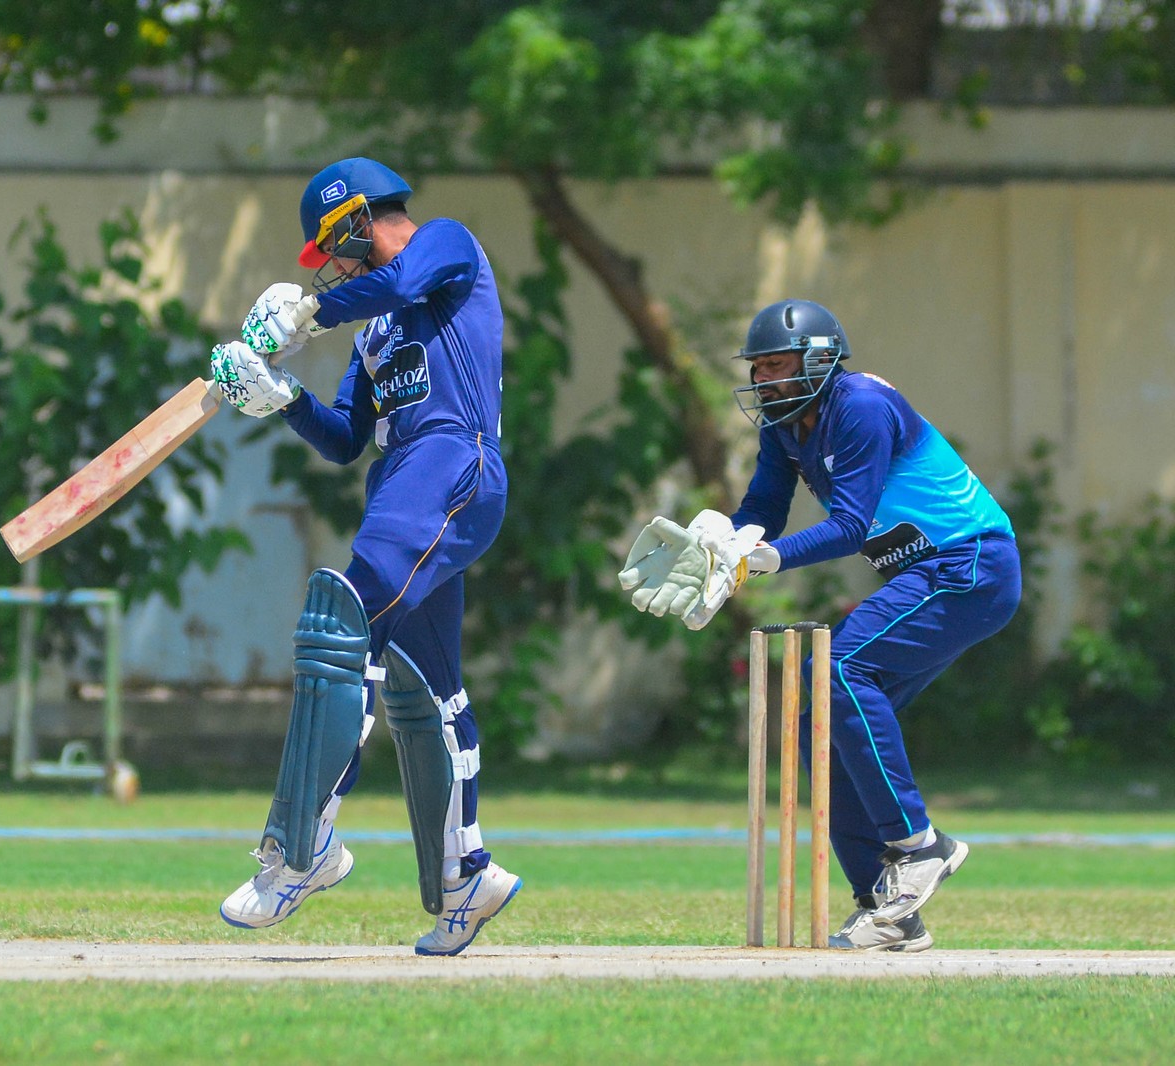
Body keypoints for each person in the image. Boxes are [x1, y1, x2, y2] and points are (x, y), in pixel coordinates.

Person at [617, 298, 1021, 951]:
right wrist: (722, 547)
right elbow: (763, 507)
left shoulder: (860, 407)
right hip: (926, 572)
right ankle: (888, 910)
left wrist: (763, 561)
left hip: (970, 563)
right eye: (758, 367)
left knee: (838, 668)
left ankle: (920, 846)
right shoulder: (783, 425)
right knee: (820, 723)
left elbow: (851, 526)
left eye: (778, 365)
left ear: (821, 360)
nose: (764, 379)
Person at [206, 157, 520, 956]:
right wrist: (280, 397)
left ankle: (301, 851)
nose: (334, 268)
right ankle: (466, 874)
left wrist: (306, 313)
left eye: (332, 251)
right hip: (402, 480)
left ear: (355, 220)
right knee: (427, 683)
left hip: (450, 460)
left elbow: (400, 281)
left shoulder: (447, 244)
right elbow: (346, 438)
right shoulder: (376, 331)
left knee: (340, 626)